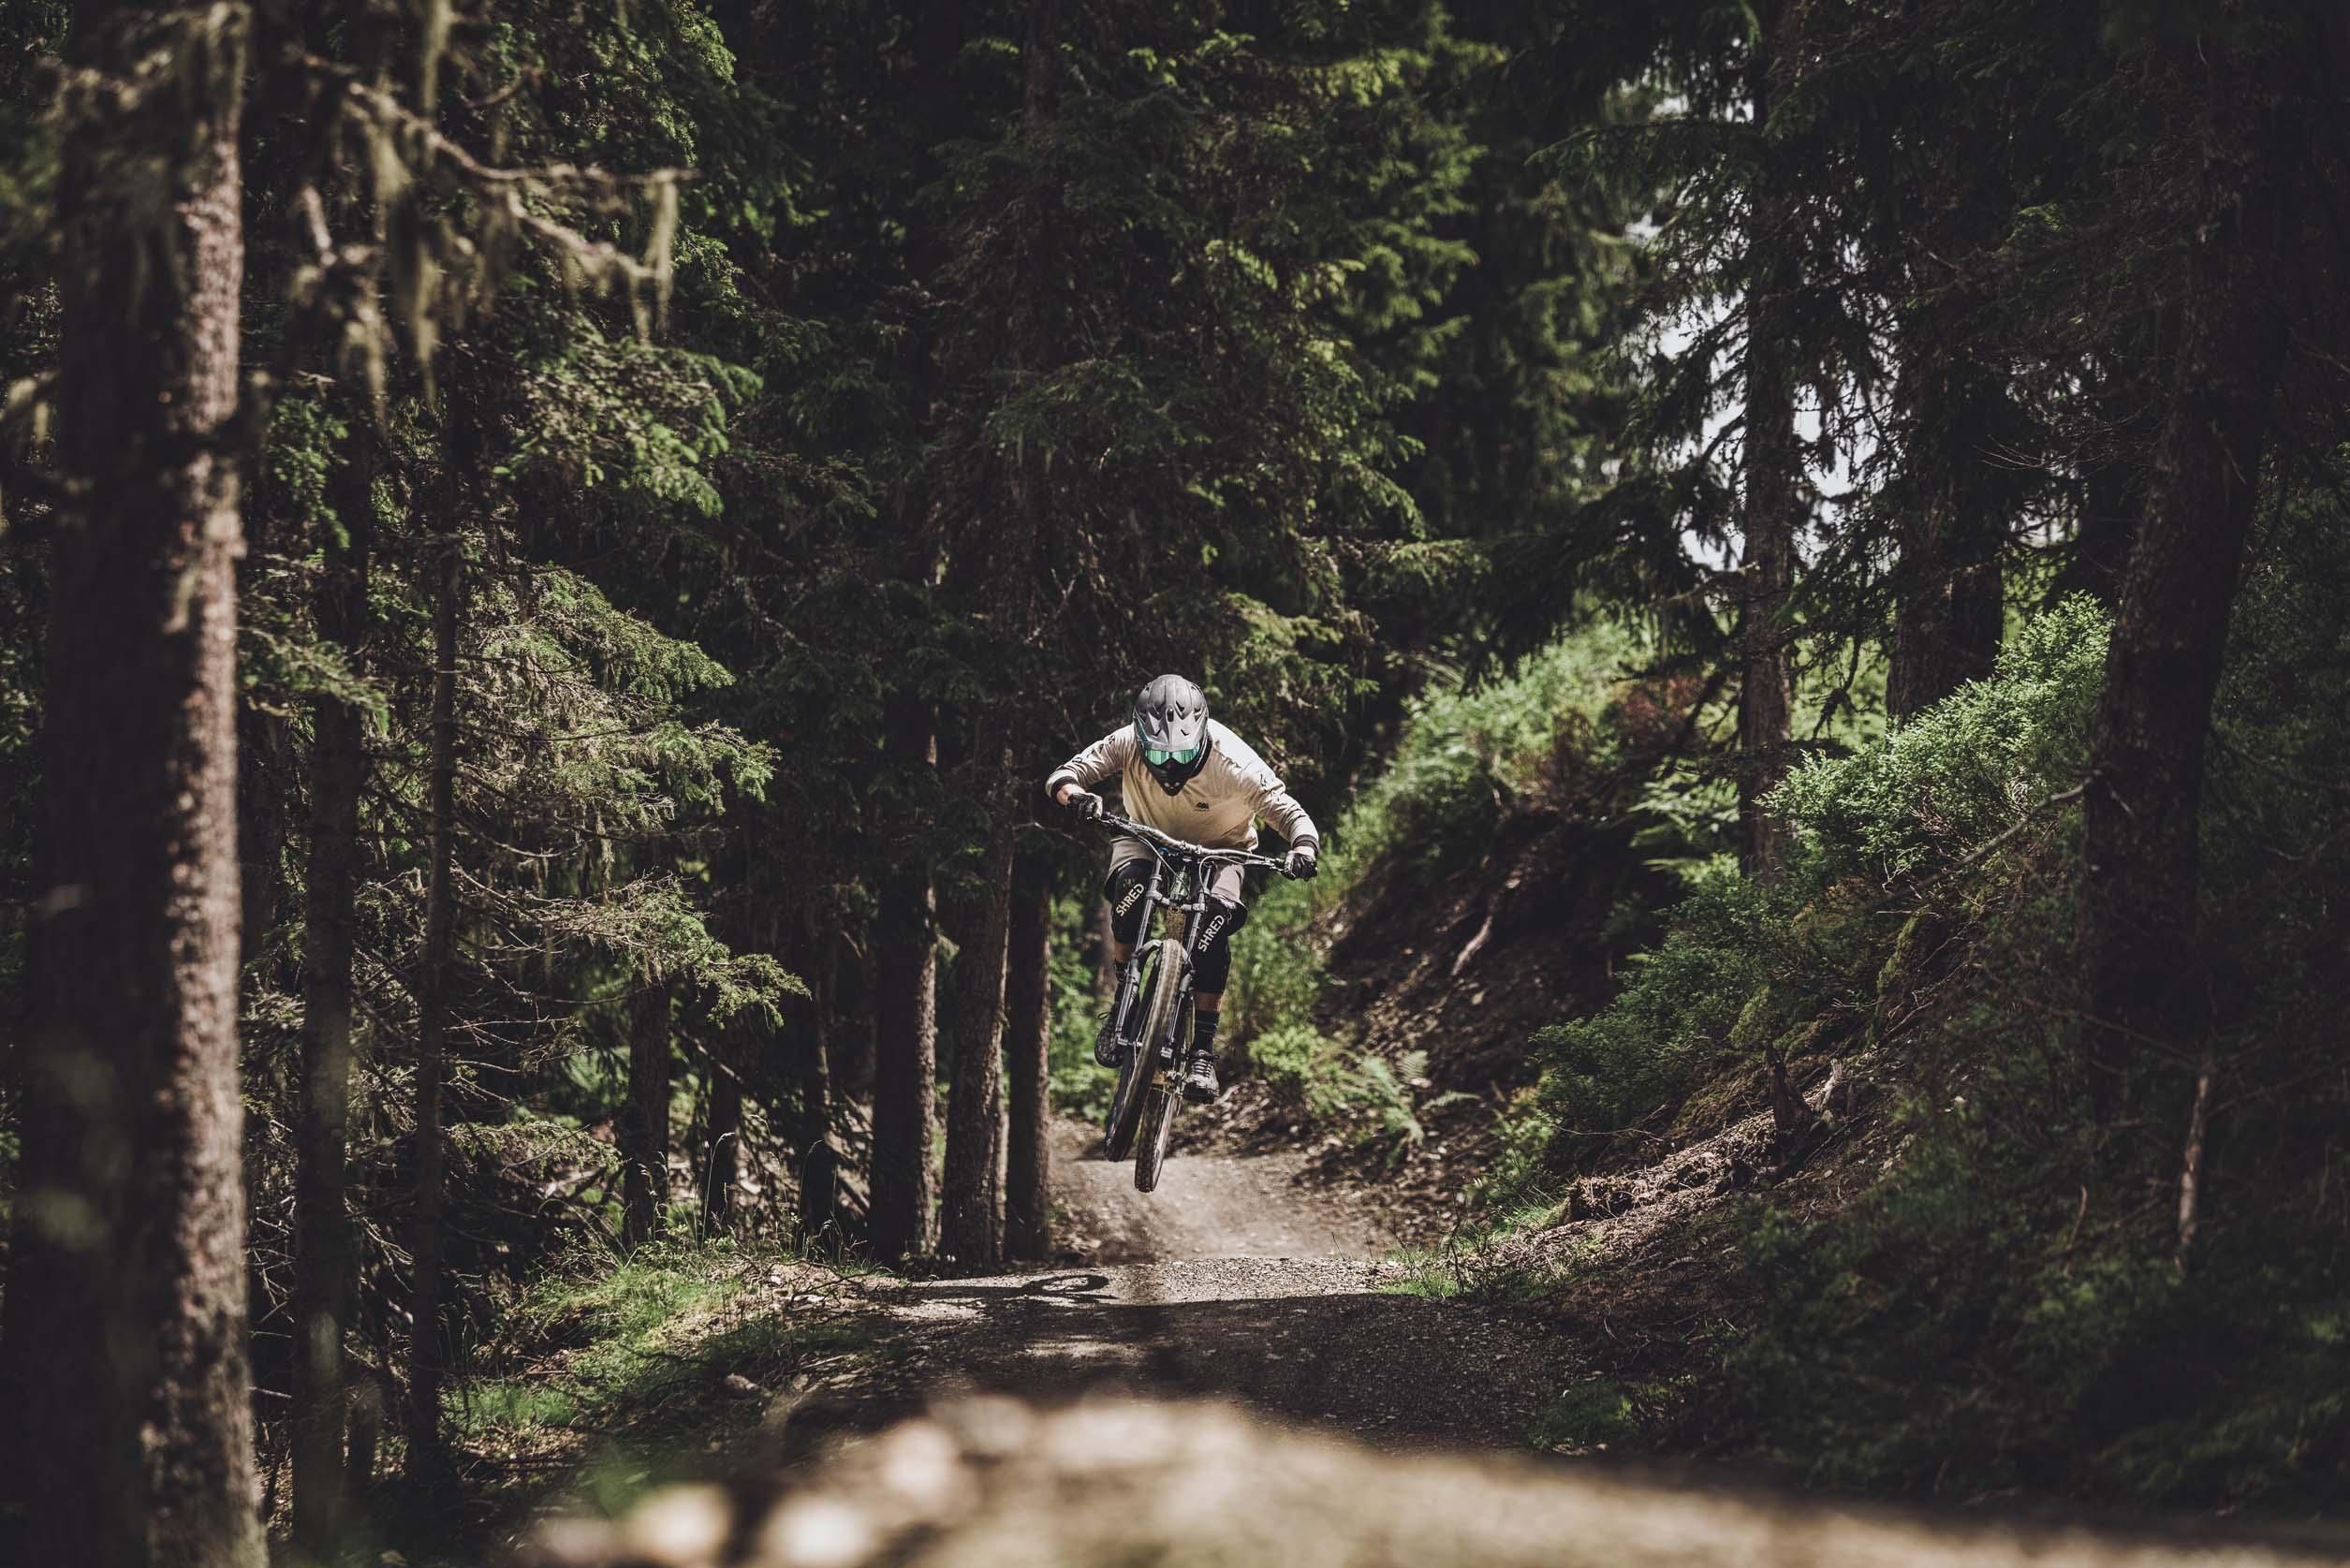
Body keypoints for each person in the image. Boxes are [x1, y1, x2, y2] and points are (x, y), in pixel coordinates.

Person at [1046, 674, 1319, 1104]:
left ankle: (1202, 1053)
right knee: (1130, 891)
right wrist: (1076, 795)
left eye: (1183, 753)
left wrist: (1302, 848)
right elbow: (1065, 775)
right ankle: (1124, 999)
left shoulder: (1235, 762)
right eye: (1158, 753)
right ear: (1140, 736)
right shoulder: (1126, 741)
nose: (1170, 764)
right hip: (1146, 835)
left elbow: (1290, 814)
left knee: (1214, 923)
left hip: (1223, 848)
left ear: (1203, 735)